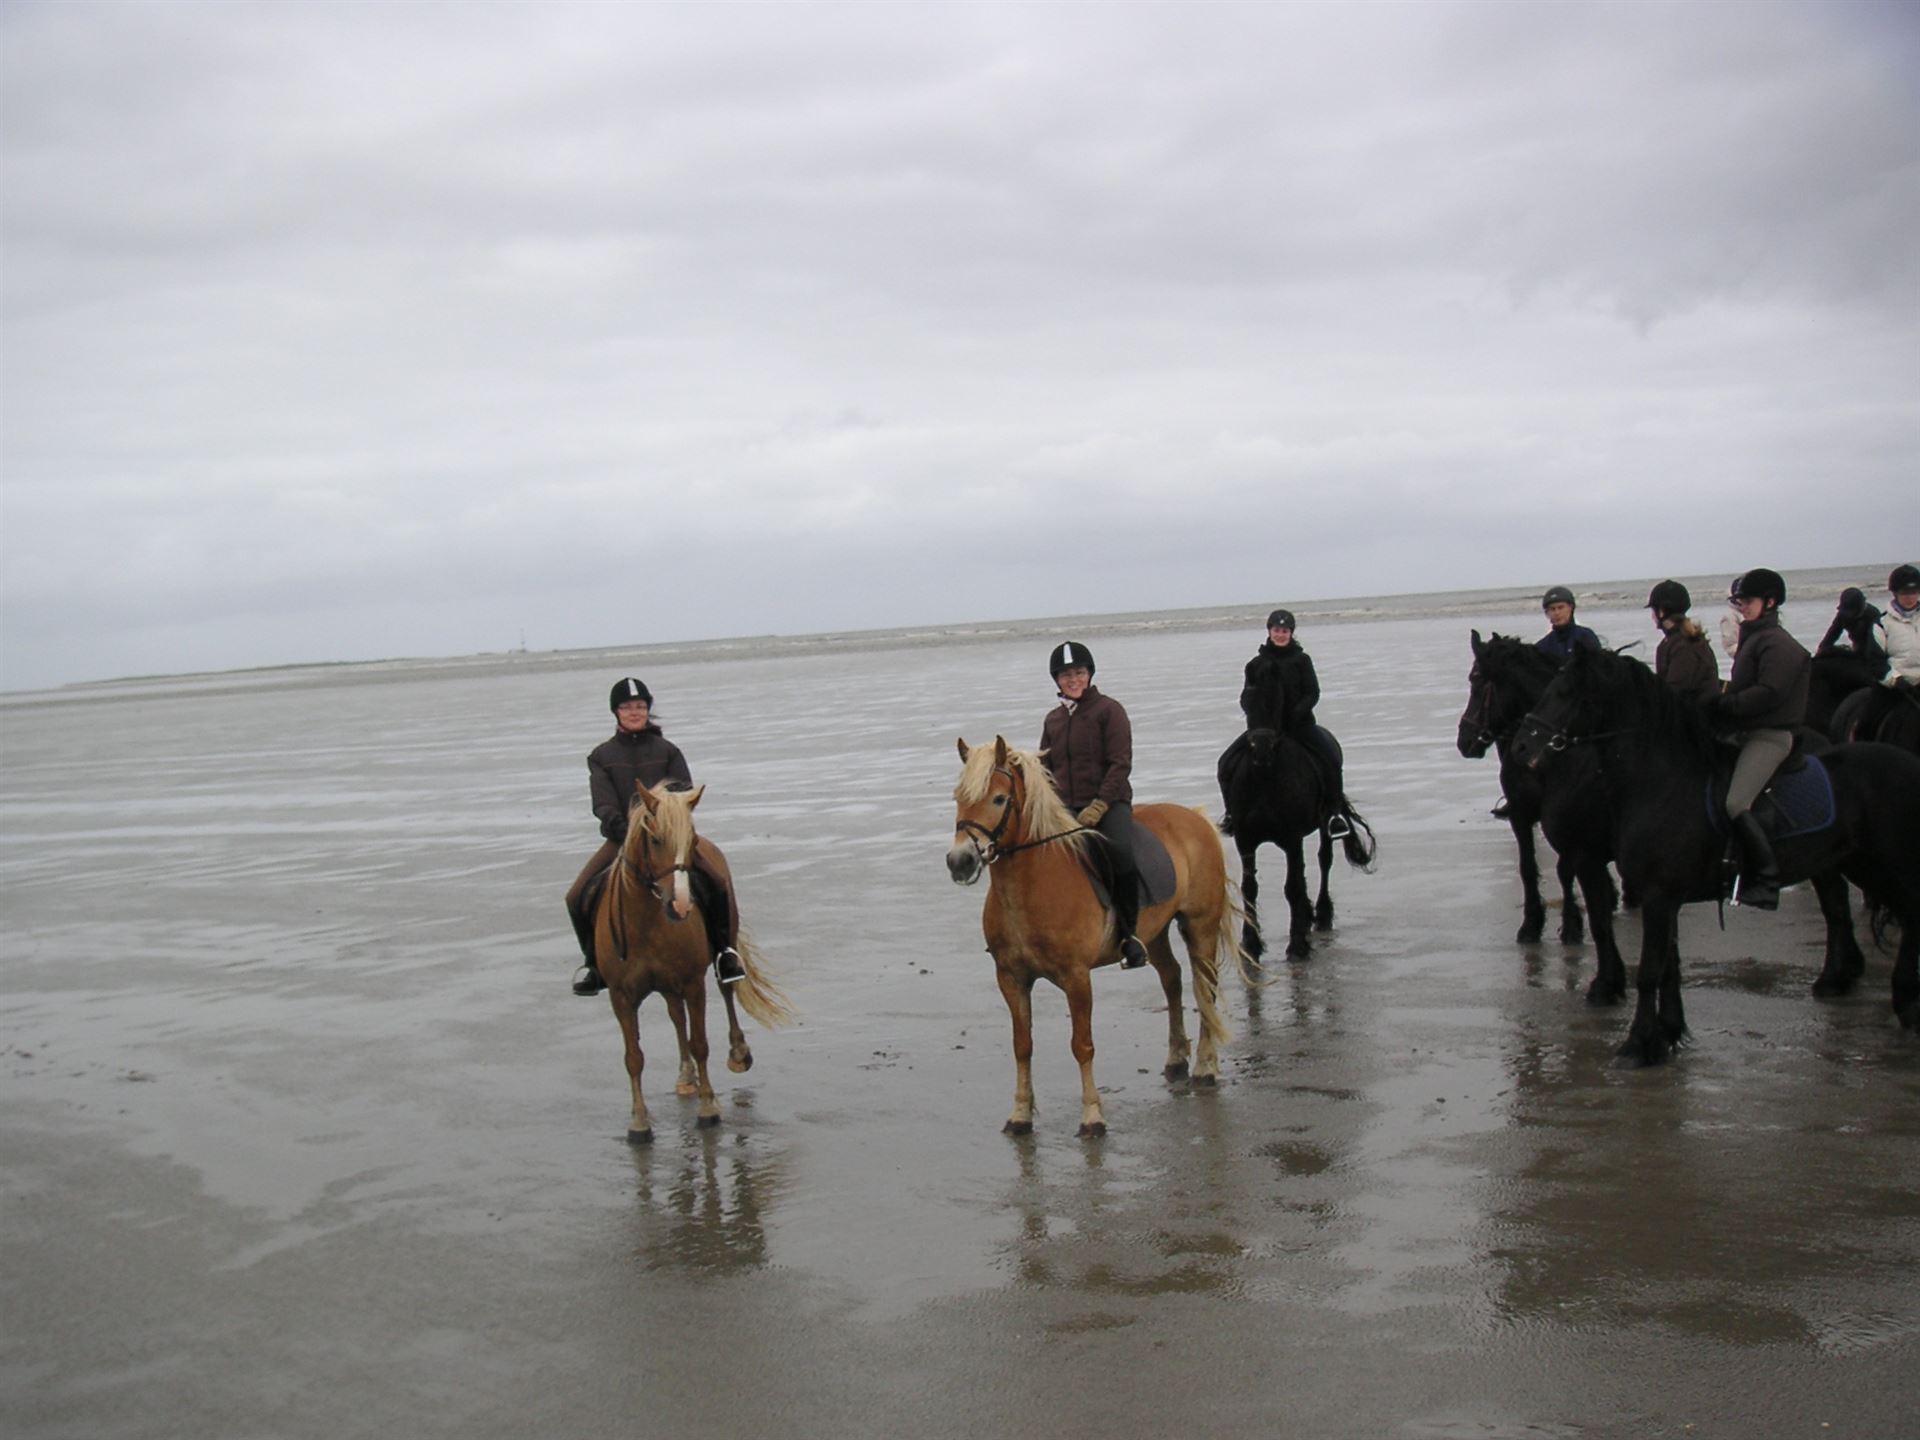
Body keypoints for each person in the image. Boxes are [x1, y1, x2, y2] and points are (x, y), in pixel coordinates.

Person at [563, 678, 747, 996]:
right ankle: (594, 965)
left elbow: (682, 792)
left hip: (669, 841)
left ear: (648, 710)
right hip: (623, 841)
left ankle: (724, 953)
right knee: (576, 895)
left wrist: (666, 826)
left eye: (640, 706)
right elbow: (603, 804)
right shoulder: (601, 755)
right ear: (616, 712)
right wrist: (626, 830)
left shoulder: (668, 751)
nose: (634, 712)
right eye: (627, 707)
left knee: (716, 881)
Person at [1040, 641, 1148, 968]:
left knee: (1119, 852)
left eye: (1079, 673)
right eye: (1066, 675)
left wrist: (1100, 805)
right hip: (1066, 808)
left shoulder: (1109, 711)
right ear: (1057, 680)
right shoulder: (1053, 720)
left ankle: (1130, 936)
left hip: (1109, 802)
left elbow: (1120, 763)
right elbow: (1045, 769)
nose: (1073, 680)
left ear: (1089, 674)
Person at [1706, 569, 1810, 910]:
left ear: (1770, 602)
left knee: (1736, 803)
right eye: (1740, 601)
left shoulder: (1778, 643)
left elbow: (1770, 691)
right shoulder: (1754, 638)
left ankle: (1767, 880)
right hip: (1747, 731)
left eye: (1748, 601)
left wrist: (1728, 704)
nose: (1743, 607)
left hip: (1771, 736)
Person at [1219, 608, 1351, 837]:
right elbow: (1246, 697)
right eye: (1277, 630)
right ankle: (1232, 813)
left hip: (1299, 726)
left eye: (1285, 631)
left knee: (1330, 759)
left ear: (1291, 633)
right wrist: (1254, 711)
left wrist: (1295, 713)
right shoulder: (1255, 664)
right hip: (1265, 730)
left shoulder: (1302, 660)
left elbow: (1312, 693)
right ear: (1269, 631)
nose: (1280, 635)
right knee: (1225, 763)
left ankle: (1334, 814)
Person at [1645, 579, 1720, 706]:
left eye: (1653, 610)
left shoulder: (1684, 647)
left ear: (1661, 611)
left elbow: (1675, 692)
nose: (1652, 616)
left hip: (1698, 715)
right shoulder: (1675, 641)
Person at [1875, 563, 1920, 688]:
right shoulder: (1882, 623)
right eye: (1904, 593)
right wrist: (1895, 680)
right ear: (1895, 593)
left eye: (1913, 592)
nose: (1909, 597)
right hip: (1898, 685)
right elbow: (1875, 661)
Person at [1536, 585, 1601, 664]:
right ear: (1547, 613)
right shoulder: (1542, 646)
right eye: (1552, 609)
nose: (1557, 613)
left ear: (1571, 608)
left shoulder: (1586, 636)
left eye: (1561, 607)